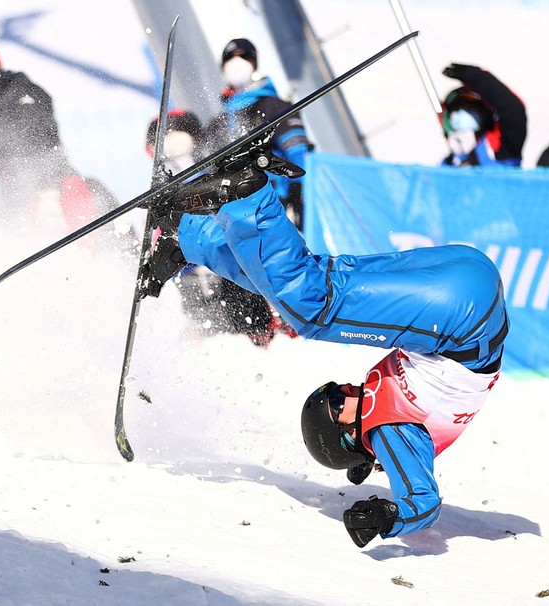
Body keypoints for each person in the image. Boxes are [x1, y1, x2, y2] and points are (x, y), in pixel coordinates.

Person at [140, 146, 508, 548]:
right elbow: (424, 502)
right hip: (462, 314)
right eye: (336, 401)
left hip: (469, 286)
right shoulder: (389, 431)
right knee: (313, 309)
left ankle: (186, 238)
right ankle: (248, 192)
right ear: (349, 435)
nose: (345, 389)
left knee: (302, 289)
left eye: (335, 392)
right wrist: (388, 517)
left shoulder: (386, 420)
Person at [143, 110, 293, 346]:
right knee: (206, 334)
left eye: (180, 141)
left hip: (230, 273)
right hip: (191, 279)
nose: (175, 150)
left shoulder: (215, 178)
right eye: (166, 145)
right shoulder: (160, 191)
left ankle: (265, 335)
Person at [0, 33, 112, 229]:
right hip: (16, 197)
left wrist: (45, 190)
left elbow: (40, 141)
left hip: (52, 190)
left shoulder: (23, 90)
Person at [204, 38, 314, 229]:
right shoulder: (217, 123)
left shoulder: (273, 106)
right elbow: (208, 169)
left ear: (254, 63)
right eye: (230, 58)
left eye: (244, 56)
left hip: (273, 206)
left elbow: (299, 153)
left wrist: (297, 197)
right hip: (233, 215)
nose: (237, 63)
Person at [440, 63, 527, 167]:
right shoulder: (449, 162)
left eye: (471, 108)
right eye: (456, 108)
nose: (462, 113)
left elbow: (513, 111)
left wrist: (477, 78)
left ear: (484, 114)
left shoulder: (499, 147)